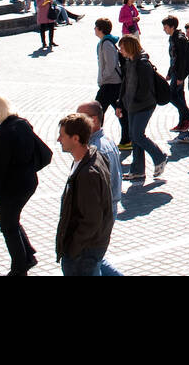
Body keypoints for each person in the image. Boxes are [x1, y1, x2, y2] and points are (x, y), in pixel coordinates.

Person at [0, 96, 46, 276]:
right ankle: (27, 256)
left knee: (7, 225)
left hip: (11, 187)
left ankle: (19, 267)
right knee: (12, 220)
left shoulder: (4, 134)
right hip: (29, 182)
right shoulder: (22, 124)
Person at [54, 113, 115, 276]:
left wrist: (73, 247)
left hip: (83, 252)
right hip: (89, 248)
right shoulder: (93, 155)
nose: (58, 140)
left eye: (62, 135)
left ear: (75, 138)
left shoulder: (88, 174)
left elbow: (91, 219)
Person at [73, 101, 125, 276]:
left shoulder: (97, 149)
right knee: (95, 258)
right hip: (106, 208)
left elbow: (99, 188)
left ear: (94, 120)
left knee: (91, 260)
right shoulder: (105, 141)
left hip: (101, 212)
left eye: (80, 117)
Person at [116, 35, 168, 183]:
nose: (120, 51)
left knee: (138, 135)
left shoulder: (142, 64)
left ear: (129, 47)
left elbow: (145, 88)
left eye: (122, 48)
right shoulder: (129, 61)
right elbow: (125, 83)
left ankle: (160, 156)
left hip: (144, 105)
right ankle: (137, 170)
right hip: (132, 105)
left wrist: (133, 101)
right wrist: (121, 103)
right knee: (134, 137)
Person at [94, 18, 131, 149]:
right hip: (112, 83)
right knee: (120, 111)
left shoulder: (106, 44)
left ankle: (94, 139)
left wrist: (103, 80)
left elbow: (110, 66)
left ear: (100, 29)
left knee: (96, 111)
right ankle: (127, 139)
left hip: (110, 83)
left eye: (95, 27)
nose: (94, 29)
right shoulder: (105, 43)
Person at [163, 15, 189, 134]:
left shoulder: (179, 39)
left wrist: (180, 77)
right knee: (179, 97)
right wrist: (169, 73)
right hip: (175, 72)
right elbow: (174, 59)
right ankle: (184, 121)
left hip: (179, 74)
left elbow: (183, 60)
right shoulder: (173, 37)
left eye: (165, 27)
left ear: (172, 27)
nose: (164, 29)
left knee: (171, 95)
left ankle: (188, 116)